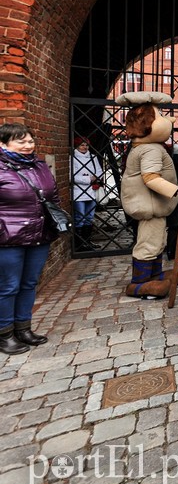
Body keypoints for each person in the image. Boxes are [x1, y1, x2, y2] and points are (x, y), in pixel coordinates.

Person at [117, 92, 178, 298]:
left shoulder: (147, 146)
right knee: (149, 243)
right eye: (160, 116)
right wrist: (176, 190)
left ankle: (156, 275)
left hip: (154, 208)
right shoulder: (150, 150)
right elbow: (150, 178)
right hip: (149, 207)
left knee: (158, 241)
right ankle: (139, 282)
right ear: (145, 125)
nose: (169, 121)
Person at [0, 123, 57, 354]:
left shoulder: (39, 165)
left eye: (30, 141)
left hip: (38, 234)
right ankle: (5, 334)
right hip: (8, 237)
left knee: (29, 283)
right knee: (8, 286)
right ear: (3, 144)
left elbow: (53, 197)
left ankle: (24, 328)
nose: (27, 145)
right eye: (20, 141)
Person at [71, 137, 102, 251]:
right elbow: (72, 176)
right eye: (82, 145)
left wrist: (96, 178)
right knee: (80, 217)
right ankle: (79, 244)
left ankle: (87, 241)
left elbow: (99, 172)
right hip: (78, 192)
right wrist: (89, 178)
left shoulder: (93, 157)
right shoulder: (72, 159)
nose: (84, 147)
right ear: (77, 146)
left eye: (86, 145)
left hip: (91, 191)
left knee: (89, 217)